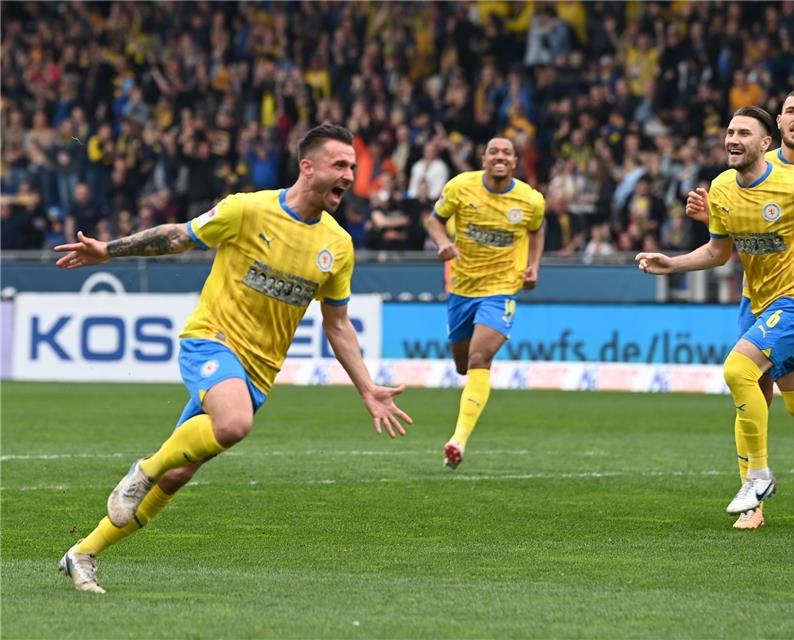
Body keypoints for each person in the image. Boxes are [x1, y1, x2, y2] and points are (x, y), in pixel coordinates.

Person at [53, 123, 413, 593]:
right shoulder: (248, 208)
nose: (350, 175)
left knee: (181, 472)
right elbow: (178, 237)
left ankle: (83, 553)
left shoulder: (338, 245)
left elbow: (337, 323)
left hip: (259, 373)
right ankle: (144, 468)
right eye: (340, 164)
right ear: (308, 167)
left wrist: (367, 387)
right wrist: (109, 250)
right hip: (212, 340)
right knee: (233, 425)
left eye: (353, 166)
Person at [638, 107, 794, 527]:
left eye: (744, 133)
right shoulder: (721, 187)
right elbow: (718, 251)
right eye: (729, 132)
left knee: (738, 370)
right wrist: (673, 264)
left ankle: (757, 478)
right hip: (761, 303)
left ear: (765, 144)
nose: (733, 139)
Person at [687, 90, 794, 529]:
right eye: (791, 112)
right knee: (749, 386)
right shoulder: (750, 163)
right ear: (777, 124)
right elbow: (732, 233)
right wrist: (716, 216)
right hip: (759, 295)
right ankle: (753, 499)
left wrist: (782, 234)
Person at [424, 136, 545, 469]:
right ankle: (464, 420)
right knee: (462, 365)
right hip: (462, 288)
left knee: (480, 357)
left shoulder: (530, 200)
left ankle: (458, 439)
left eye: (507, 152)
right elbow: (434, 219)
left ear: (515, 161)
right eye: (494, 151)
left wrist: (533, 265)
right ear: (484, 158)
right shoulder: (460, 187)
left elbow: (537, 229)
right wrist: (442, 243)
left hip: (501, 289)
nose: (500, 156)